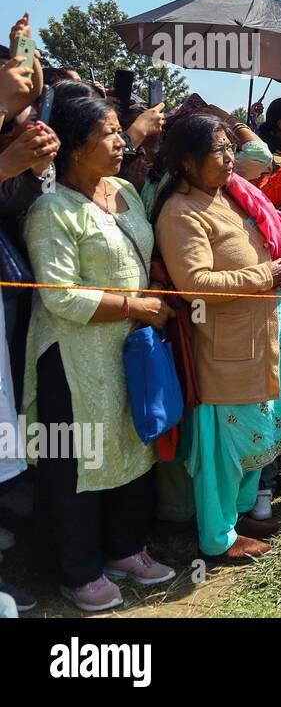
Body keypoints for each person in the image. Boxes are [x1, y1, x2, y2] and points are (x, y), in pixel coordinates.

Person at [24, 95, 176, 610]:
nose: (121, 141)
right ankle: (79, 570)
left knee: (130, 445)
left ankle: (125, 548)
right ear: (74, 146)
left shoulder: (127, 191)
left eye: (119, 130)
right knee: (78, 459)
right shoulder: (51, 210)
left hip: (126, 348)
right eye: (109, 133)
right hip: (73, 356)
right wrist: (138, 305)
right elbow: (60, 296)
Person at [153, 113, 281, 563]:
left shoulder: (232, 196)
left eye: (228, 148)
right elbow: (195, 284)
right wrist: (266, 273)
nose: (227, 159)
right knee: (223, 448)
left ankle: (238, 516)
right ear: (186, 162)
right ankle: (217, 536)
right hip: (224, 348)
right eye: (216, 151)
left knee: (253, 438)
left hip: (259, 337)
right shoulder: (181, 212)